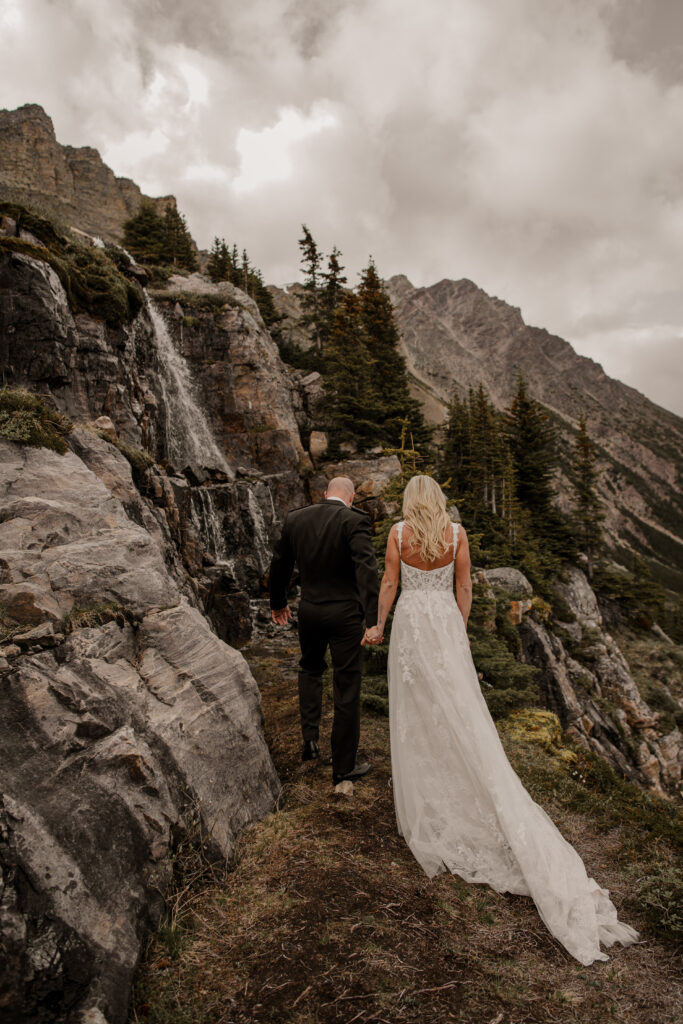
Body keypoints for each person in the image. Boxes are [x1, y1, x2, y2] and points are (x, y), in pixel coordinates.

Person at [369, 474, 640, 966]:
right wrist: (458, 626)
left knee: (419, 709)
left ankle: (431, 782)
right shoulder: (455, 534)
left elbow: (389, 582)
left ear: (411, 502)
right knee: (460, 708)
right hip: (445, 625)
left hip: (411, 623)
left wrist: (379, 623)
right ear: (439, 501)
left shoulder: (397, 533)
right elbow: (465, 584)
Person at [269, 476, 380, 786]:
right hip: (345, 614)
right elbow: (366, 570)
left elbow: (280, 564)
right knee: (346, 684)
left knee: (310, 669)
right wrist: (372, 620)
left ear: (324, 494)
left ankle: (309, 740)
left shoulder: (296, 518)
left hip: (310, 611)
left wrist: (278, 603)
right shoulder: (354, 520)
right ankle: (343, 767)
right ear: (352, 498)